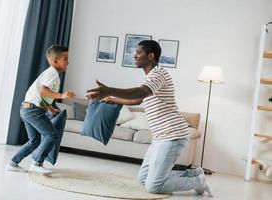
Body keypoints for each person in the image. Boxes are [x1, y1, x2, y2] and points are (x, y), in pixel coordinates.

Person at [85, 40, 213, 196]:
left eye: (139, 52)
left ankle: (197, 181)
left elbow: (140, 93)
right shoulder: (151, 76)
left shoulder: (158, 74)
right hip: (160, 137)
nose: (135, 56)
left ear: (151, 56)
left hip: (172, 135)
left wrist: (109, 90)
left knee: (154, 186)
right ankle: (193, 174)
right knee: (143, 179)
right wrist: (110, 97)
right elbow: (137, 100)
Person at [6, 45, 75, 174]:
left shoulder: (50, 73)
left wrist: (50, 108)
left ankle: (13, 162)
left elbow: (40, 94)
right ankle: (37, 163)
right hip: (33, 110)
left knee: (34, 140)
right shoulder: (53, 74)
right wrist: (62, 95)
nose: (68, 61)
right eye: (65, 58)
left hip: (27, 108)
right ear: (55, 61)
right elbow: (43, 91)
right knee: (52, 135)